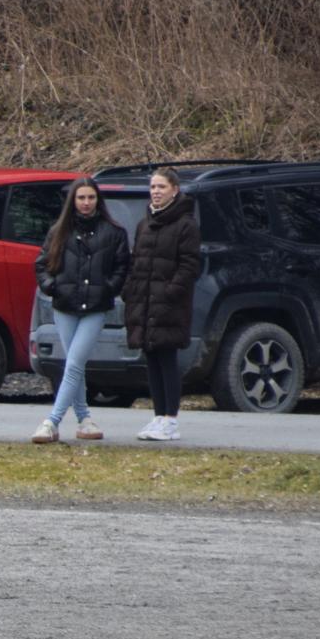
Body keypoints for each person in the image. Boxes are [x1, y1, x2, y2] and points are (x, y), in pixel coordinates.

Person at [31, 176, 130, 444]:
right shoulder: (58, 231)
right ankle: (84, 418)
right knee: (76, 365)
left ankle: (51, 422)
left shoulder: (113, 232)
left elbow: (122, 267)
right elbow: (41, 264)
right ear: (73, 201)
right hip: (65, 306)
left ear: (98, 200)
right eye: (81, 198)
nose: (86, 203)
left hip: (95, 308)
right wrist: (54, 287)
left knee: (74, 363)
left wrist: (107, 288)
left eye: (91, 197)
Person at [123, 167, 202, 442]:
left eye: (161, 187)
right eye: (153, 187)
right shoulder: (144, 224)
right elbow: (136, 263)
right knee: (151, 358)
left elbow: (190, 265)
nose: (156, 192)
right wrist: (130, 292)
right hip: (144, 303)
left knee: (167, 358)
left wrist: (171, 292)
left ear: (175, 190)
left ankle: (171, 419)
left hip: (169, 305)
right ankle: (158, 415)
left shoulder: (186, 224)